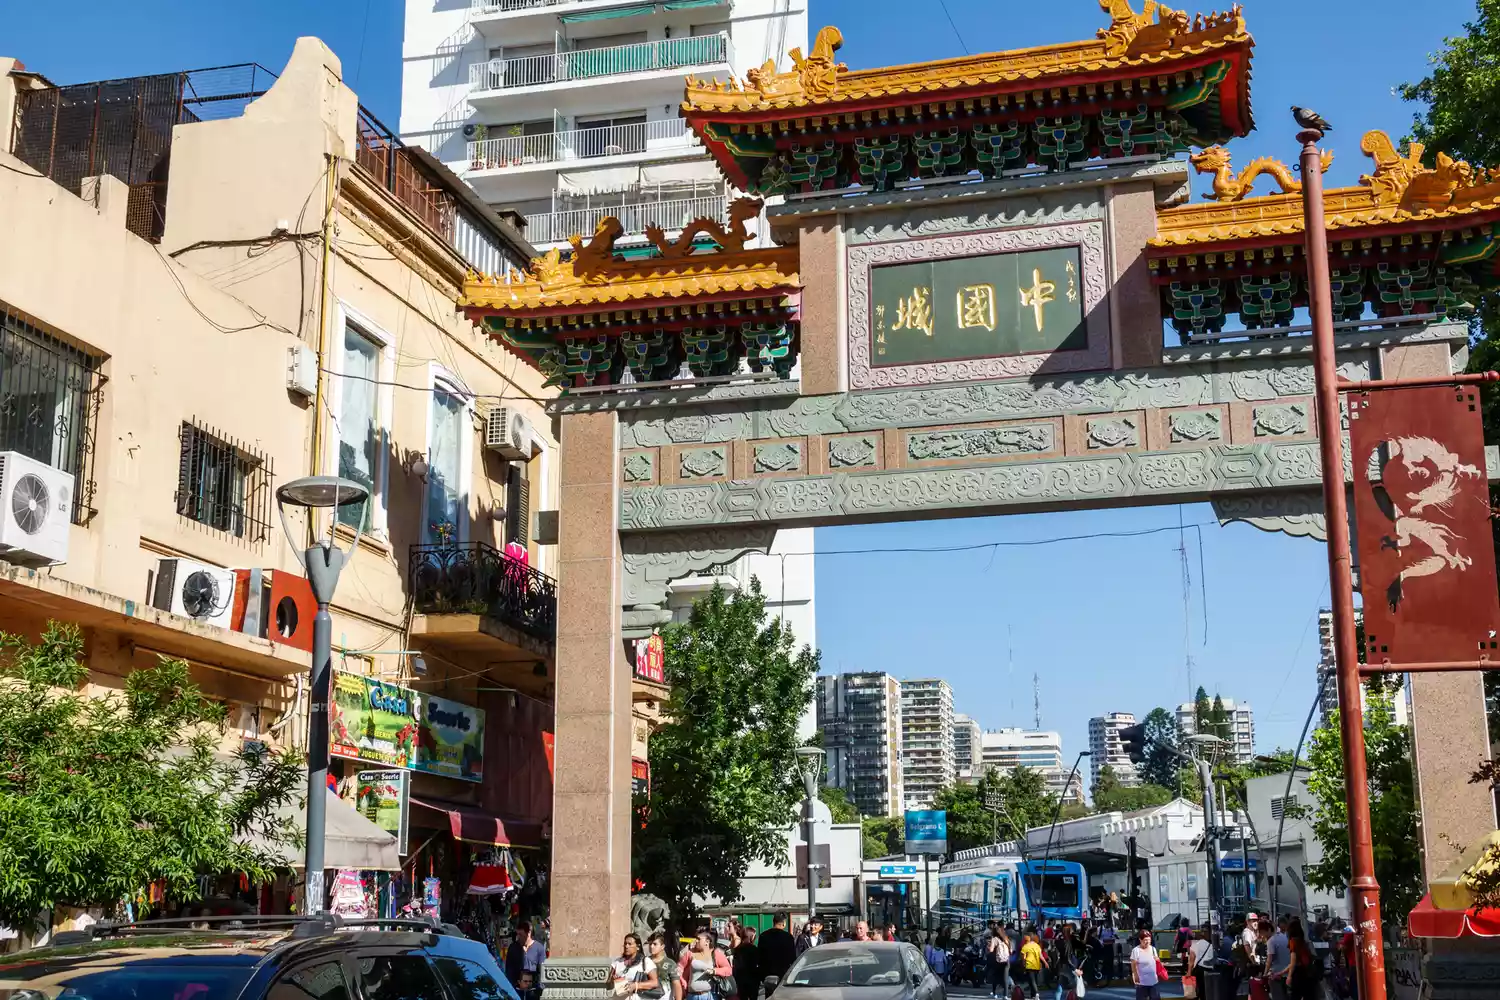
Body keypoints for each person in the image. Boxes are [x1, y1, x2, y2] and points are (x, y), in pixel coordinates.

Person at [680, 929, 733, 1000]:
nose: (696, 941)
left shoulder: (716, 954)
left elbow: (728, 970)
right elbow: (680, 968)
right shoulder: (690, 953)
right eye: (696, 938)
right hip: (692, 996)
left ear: (707, 942)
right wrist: (683, 984)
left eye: (699, 939)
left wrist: (714, 971)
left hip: (711, 995)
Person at [609, 934, 660, 998]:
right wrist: (613, 980)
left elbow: (655, 982)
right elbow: (608, 986)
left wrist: (636, 985)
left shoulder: (645, 961)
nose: (626, 946)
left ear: (638, 946)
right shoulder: (617, 962)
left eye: (630, 944)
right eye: (625, 943)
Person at [758, 913, 796, 998]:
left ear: (773, 922)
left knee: (769, 996)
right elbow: (792, 957)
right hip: (783, 974)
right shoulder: (788, 937)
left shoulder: (763, 936)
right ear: (784, 923)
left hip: (767, 974)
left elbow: (759, 956)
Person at [508, 920, 548, 989]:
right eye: (517, 934)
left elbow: (543, 972)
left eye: (521, 934)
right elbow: (509, 971)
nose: (518, 937)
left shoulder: (539, 949)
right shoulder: (513, 948)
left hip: (534, 990)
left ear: (528, 933)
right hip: (517, 991)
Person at [1286, 920, 1319, 1000]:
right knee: (1308, 995)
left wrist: (1289, 976)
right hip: (1307, 971)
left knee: (1295, 996)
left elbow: (1293, 962)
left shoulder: (1293, 942)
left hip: (1298, 973)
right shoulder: (1303, 941)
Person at [647, 932, 683, 1000]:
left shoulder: (670, 964)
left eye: (655, 944)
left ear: (662, 946)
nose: (651, 946)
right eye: (650, 944)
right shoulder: (644, 961)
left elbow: (677, 985)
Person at [1130, 928, 1161, 1000]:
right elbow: (1133, 964)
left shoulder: (1153, 949)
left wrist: (1158, 961)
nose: (1147, 942)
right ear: (1140, 940)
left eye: (1149, 940)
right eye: (1145, 940)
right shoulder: (1136, 950)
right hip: (1142, 983)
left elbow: (1157, 961)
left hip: (1154, 981)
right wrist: (1135, 975)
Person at [1267, 916, 1292, 1000]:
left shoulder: (1272, 940)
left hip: (1276, 974)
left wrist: (1265, 973)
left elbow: (1269, 959)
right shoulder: (1291, 938)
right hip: (1289, 973)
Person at [987, 919, 1012, 998]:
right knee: (1005, 978)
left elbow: (991, 950)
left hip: (998, 960)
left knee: (995, 976)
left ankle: (994, 993)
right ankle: (1005, 995)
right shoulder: (1006, 939)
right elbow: (1011, 950)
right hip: (1007, 960)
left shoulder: (994, 939)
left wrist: (988, 946)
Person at [732, 926, 759, 1000]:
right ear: (752, 936)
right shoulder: (754, 949)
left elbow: (735, 966)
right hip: (752, 980)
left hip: (740, 980)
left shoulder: (737, 949)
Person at [1020, 933, 1047, 1000]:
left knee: (1032, 981)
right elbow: (1041, 956)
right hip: (1037, 965)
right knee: (1033, 980)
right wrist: (1045, 963)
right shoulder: (1037, 946)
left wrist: (1023, 965)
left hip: (1029, 965)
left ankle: (1036, 994)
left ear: (1028, 938)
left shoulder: (1025, 946)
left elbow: (1023, 957)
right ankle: (1033, 995)